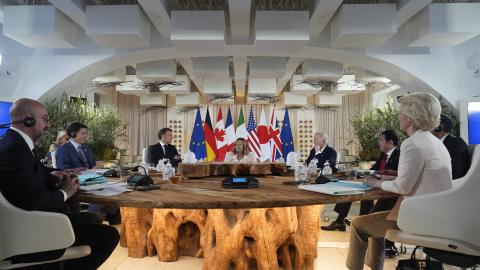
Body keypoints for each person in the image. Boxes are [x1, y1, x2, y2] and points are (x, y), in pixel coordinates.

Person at [0, 98, 119, 270]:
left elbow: (33, 171)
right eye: (45, 119)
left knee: (92, 218)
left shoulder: (14, 144)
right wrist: (65, 192)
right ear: (28, 119)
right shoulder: (13, 151)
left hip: (32, 220)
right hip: (29, 229)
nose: (48, 126)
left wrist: (60, 174)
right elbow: (32, 200)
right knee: (110, 235)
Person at [346, 93, 452, 270]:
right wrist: (392, 177)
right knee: (373, 224)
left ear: (410, 119)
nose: (399, 116)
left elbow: (402, 187)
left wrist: (376, 183)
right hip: (436, 214)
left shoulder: (412, 144)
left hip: (418, 217)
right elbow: (422, 176)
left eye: (401, 113)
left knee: (358, 225)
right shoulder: (435, 142)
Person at [322, 130, 400, 233]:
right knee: (351, 188)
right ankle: (344, 221)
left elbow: (395, 174)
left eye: (381, 140)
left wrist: (374, 176)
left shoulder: (399, 155)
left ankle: (360, 222)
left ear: (390, 142)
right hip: (375, 183)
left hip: (387, 187)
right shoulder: (383, 154)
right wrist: (363, 173)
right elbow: (375, 168)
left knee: (364, 192)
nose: (379, 143)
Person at [432, 115, 471, 179]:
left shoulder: (455, 143)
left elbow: (456, 172)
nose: (429, 130)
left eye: (431, 127)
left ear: (439, 128)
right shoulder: (449, 142)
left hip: (454, 185)